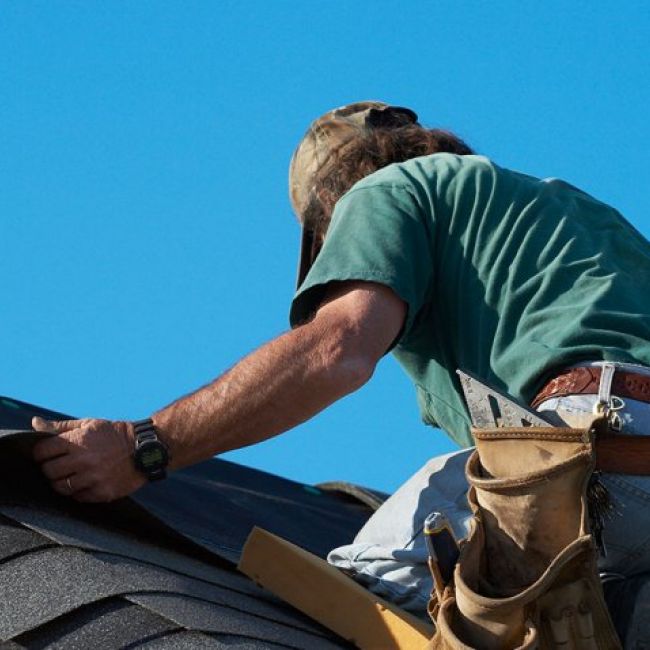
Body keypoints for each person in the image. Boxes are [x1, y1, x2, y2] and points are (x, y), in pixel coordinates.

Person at [31, 102, 650, 635]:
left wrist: (143, 447)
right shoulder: (581, 220)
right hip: (626, 494)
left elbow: (337, 351)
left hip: (592, 443)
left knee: (368, 587)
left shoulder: (389, 189)